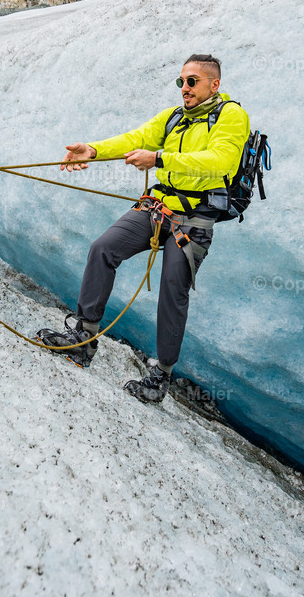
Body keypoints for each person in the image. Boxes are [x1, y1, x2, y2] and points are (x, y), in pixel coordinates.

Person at [37, 54, 250, 404]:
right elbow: (138, 137)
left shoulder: (231, 116)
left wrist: (160, 159)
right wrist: (93, 150)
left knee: (172, 291)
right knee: (103, 248)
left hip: (195, 220)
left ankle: (160, 376)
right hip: (158, 207)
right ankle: (84, 338)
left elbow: (221, 161)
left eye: (192, 81)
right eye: (181, 81)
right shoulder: (175, 117)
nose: (184, 88)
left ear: (214, 84)